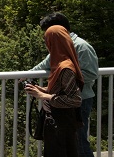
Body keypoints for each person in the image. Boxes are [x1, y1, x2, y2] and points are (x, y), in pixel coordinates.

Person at [30, 12, 98, 157]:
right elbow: (44, 65)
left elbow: (91, 73)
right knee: (69, 145)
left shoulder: (81, 46)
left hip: (79, 101)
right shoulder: (59, 46)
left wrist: (64, 82)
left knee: (79, 143)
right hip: (62, 103)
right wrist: (26, 76)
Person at [25, 25, 84, 157]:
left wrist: (43, 96)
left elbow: (75, 99)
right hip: (59, 124)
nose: (47, 45)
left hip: (61, 126)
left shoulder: (65, 68)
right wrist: (41, 89)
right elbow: (61, 90)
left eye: (48, 41)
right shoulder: (60, 64)